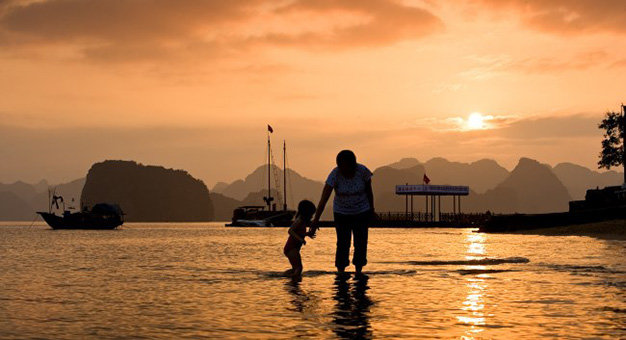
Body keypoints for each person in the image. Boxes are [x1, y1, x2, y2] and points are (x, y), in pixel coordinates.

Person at [308, 150, 374, 275]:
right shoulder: (335, 174)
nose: (346, 170)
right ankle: (341, 271)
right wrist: (315, 221)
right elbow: (324, 199)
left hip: (361, 211)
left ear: (354, 164)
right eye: (343, 167)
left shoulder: (362, 171)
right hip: (341, 212)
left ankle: (358, 270)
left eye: (349, 167)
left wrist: (372, 210)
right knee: (343, 243)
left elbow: (369, 192)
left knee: (361, 242)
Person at [283, 200, 317, 278]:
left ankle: (283, 276)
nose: (312, 217)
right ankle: (293, 282)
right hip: (291, 248)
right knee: (299, 268)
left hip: (294, 248)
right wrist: (300, 239)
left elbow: (300, 232)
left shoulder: (303, 222)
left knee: (296, 269)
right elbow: (290, 231)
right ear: (306, 213)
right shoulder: (299, 220)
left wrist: (307, 234)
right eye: (311, 214)